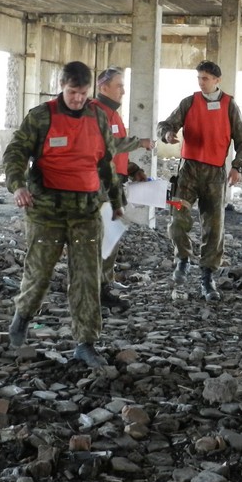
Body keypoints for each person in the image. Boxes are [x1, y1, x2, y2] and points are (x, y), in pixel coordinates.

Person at [2, 61, 124, 368]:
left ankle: (85, 342)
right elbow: (15, 152)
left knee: (87, 277)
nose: (78, 99)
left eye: (83, 93)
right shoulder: (41, 117)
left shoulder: (97, 117)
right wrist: (17, 185)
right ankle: (23, 316)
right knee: (39, 272)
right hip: (47, 213)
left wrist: (116, 199)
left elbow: (107, 162)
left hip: (86, 212)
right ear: (61, 86)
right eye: (72, 92)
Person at [157, 60, 242, 301]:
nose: (201, 82)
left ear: (217, 80)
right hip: (187, 172)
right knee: (177, 218)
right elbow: (165, 124)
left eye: (206, 78)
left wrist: (238, 166)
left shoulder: (229, 105)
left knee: (214, 226)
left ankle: (207, 277)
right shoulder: (189, 102)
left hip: (215, 175)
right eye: (199, 78)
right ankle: (183, 259)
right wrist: (167, 134)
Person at [92, 66, 154, 312]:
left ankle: (103, 284)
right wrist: (139, 142)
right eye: (119, 86)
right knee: (101, 238)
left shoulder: (113, 114)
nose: (123, 91)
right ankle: (95, 290)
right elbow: (106, 146)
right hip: (100, 186)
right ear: (103, 87)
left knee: (111, 236)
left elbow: (114, 154)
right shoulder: (96, 112)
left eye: (123, 86)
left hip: (113, 185)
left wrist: (132, 169)